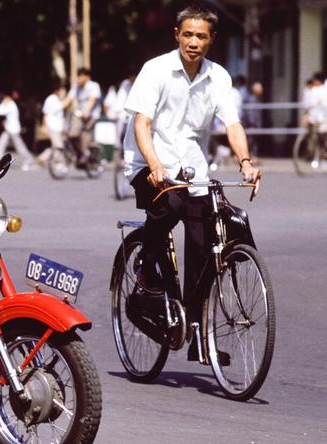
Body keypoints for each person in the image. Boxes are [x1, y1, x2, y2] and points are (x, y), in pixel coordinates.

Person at [123, 4, 261, 361]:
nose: (194, 42)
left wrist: (245, 163)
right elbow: (142, 124)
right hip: (146, 162)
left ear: (211, 39)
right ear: (177, 35)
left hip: (193, 171)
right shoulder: (156, 70)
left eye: (201, 36)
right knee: (170, 204)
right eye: (188, 34)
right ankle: (145, 268)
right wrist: (154, 165)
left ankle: (198, 331)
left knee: (205, 241)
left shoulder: (219, 78)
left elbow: (232, 124)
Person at [0, 91, 36, 170]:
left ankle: (28, 159)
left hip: (12, 129)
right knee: (0, 144)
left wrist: (1, 105)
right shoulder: (11, 104)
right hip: (9, 129)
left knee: (19, 146)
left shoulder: (10, 105)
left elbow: (0, 111)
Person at [68, 68, 102, 163]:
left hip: (92, 115)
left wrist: (86, 110)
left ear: (87, 77)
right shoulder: (76, 87)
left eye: (81, 76)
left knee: (85, 134)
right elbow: (69, 98)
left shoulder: (94, 86)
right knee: (72, 134)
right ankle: (80, 153)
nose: (79, 78)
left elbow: (92, 100)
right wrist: (58, 107)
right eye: (78, 76)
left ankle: (86, 153)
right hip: (80, 114)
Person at [41, 84, 72, 166]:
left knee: (56, 145)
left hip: (58, 127)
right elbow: (45, 113)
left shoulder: (58, 99)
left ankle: (43, 157)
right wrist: (44, 125)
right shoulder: (51, 99)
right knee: (59, 146)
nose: (63, 93)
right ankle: (58, 163)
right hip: (52, 126)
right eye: (62, 91)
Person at [243, 81, 263, 162]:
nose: (262, 90)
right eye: (260, 88)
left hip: (254, 124)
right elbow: (251, 112)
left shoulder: (256, 99)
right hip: (252, 124)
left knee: (253, 141)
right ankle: (249, 157)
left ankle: (253, 156)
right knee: (250, 141)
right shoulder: (252, 99)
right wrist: (252, 123)